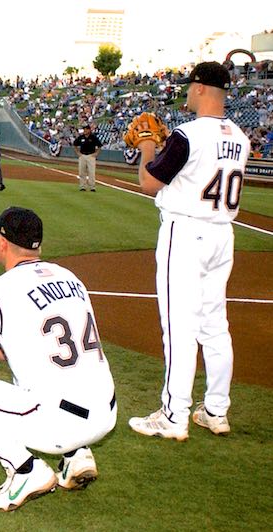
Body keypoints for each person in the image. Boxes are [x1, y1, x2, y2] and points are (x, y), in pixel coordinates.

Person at [0, 206, 117, 511]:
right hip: (106, 413)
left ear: (2, 243)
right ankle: (77, 457)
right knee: (43, 369)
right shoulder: (71, 277)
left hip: (60, 424)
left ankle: (26, 471)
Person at [128, 62, 250, 441]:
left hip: (186, 232)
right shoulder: (241, 137)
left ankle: (173, 414)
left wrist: (148, 143)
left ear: (199, 88)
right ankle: (216, 410)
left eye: (189, 86)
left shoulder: (187, 135)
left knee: (178, 326)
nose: (186, 92)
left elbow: (149, 182)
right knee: (215, 326)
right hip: (221, 234)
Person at [72, 124, 103, 191]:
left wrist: (96, 153)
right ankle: (82, 186)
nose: (85, 130)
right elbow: (74, 144)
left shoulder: (93, 137)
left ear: (89, 130)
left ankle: (92, 187)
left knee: (91, 172)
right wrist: (78, 153)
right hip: (82, 155)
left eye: (86, 129)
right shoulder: (81, 137)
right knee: (82, 172)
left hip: (91, 156)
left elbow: (100, 145)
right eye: (84, 129)